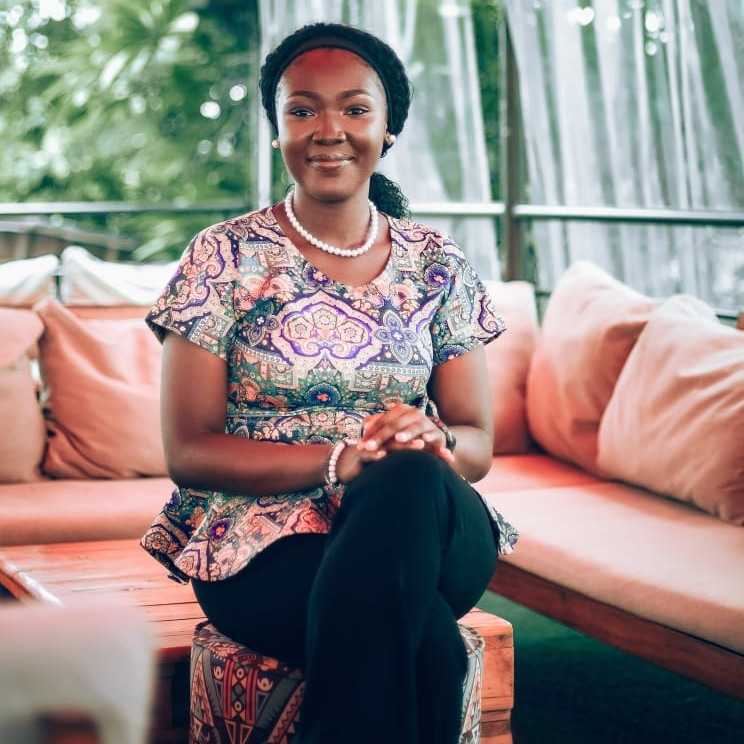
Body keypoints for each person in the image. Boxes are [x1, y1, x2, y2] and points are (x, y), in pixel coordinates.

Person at [141, 21, 519, 744]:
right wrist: (341, 460)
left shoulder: (438, 263)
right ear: (277, 128)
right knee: (430, 647)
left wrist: (430, 441)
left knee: (409, 470)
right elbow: (189, 451)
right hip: (262, 545)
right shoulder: (224, 256)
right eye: (302, 109)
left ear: (387, 128)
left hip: (431, 526)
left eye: (354, 108)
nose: (329, 130)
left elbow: (475, 444)